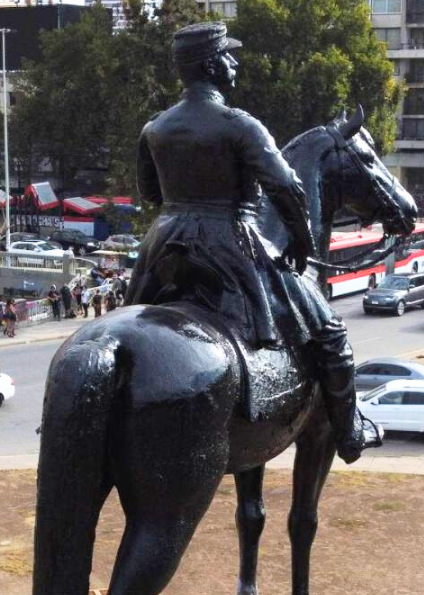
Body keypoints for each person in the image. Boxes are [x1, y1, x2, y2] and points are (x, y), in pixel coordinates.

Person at [125, 22, 378, 463]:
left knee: (129, 321)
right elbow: (288, 189)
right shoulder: (240, 126)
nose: (235, 63)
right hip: (230, 242)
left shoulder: (155, 129)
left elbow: (150, 194)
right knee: (331, 333)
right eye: (228, 55)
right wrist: (300, 240)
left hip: (162, 246)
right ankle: (349, 432)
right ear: (210, 64)